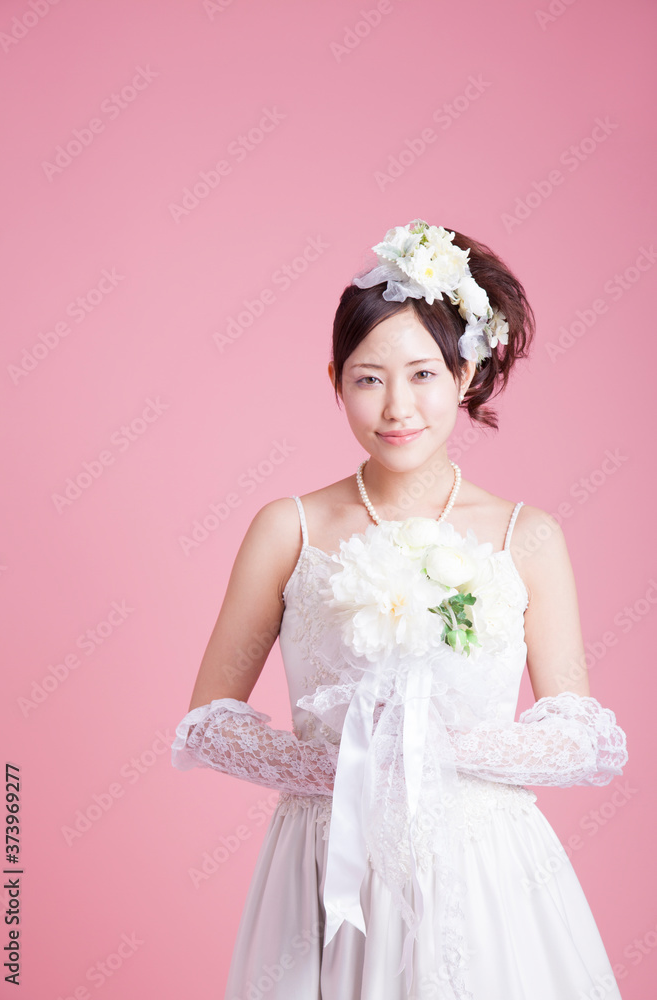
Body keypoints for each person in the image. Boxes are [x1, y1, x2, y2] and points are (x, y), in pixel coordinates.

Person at [171, 220, 628, 1000]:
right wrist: (346, 765)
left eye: (421, 374)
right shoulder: (289, 528)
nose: (396, 407)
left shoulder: (526, 535)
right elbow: (208, 722)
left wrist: (431, 749)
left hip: (486, 872)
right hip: (327, 863)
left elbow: (577, 736)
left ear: (464, 374)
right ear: (334, 380)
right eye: (367, 379)